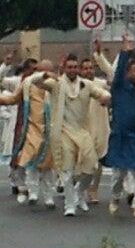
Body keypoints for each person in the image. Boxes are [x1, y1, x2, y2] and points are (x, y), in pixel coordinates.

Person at [31, 55, 111, 216]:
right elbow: (36, 82)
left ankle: (78, 193)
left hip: (82, 131)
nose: (73, 69)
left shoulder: (86, 85)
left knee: (92, 166)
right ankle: (70, 205)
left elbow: (103, 94)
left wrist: (106, 99)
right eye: (70, 67)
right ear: (65, 68)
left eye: (75, 67)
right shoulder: (56, 84)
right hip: (63, 132)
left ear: (79, 69)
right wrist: (46, 74)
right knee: (67, 170)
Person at [100, 34, 135, 219]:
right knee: (118, 175)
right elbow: (119, 70)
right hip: (120, 136)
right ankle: (115, 198)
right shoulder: (119, 86)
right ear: (128, 73)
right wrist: (126, 51)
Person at [0, 58, 54, 207]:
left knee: (48, 166)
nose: (44, 74)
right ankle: (32, 192)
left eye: (47, 71)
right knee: (31, 160)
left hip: (51, 129)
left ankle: (49, 196)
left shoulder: (55, 85)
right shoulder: (27, 84)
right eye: (40, 71)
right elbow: (12, 98)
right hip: (31, 128)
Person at [79, 57, 110, 205]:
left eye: (91, 68)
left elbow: (112, 76)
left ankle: (93, 190)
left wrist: (99, 57)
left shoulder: (101, 84)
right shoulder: (75, 85)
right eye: (85, 68)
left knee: (98, 161)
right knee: (80, 160)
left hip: (100, 128)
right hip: (81, 128)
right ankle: (73, 185)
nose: (88, 71)